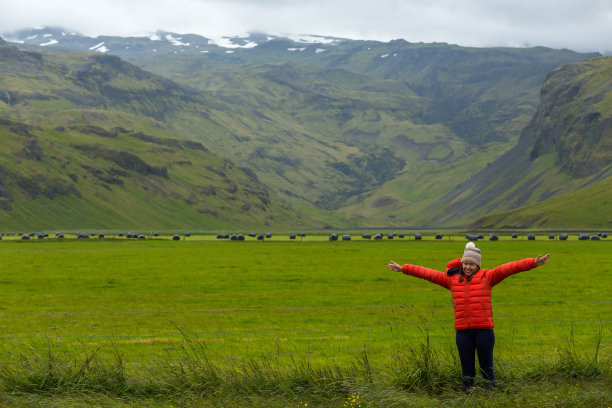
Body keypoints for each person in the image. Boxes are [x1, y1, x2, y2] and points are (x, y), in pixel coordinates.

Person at [387, 242, 550, 392]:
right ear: (461, 264)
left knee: (487, 368)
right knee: (467, 369)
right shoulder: (452, 280)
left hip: (484, 331)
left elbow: (509, 268)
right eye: (465, 263)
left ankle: (490, 395)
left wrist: (532, 263)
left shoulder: (488, 277)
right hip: (463, 333)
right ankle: (467, 396)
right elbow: (428, 274)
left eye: (471, 264)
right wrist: (403, 268)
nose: (468, 267)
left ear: (477, 265)